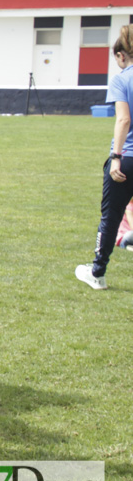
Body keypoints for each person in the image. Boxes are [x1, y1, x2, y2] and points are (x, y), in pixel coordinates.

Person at [77, 25, 133, 290]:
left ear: (122, 55)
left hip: (128, 158)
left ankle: (97, 273)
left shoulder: (121, 79)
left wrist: (116, 157)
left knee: (111, 216)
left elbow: (123, 119)